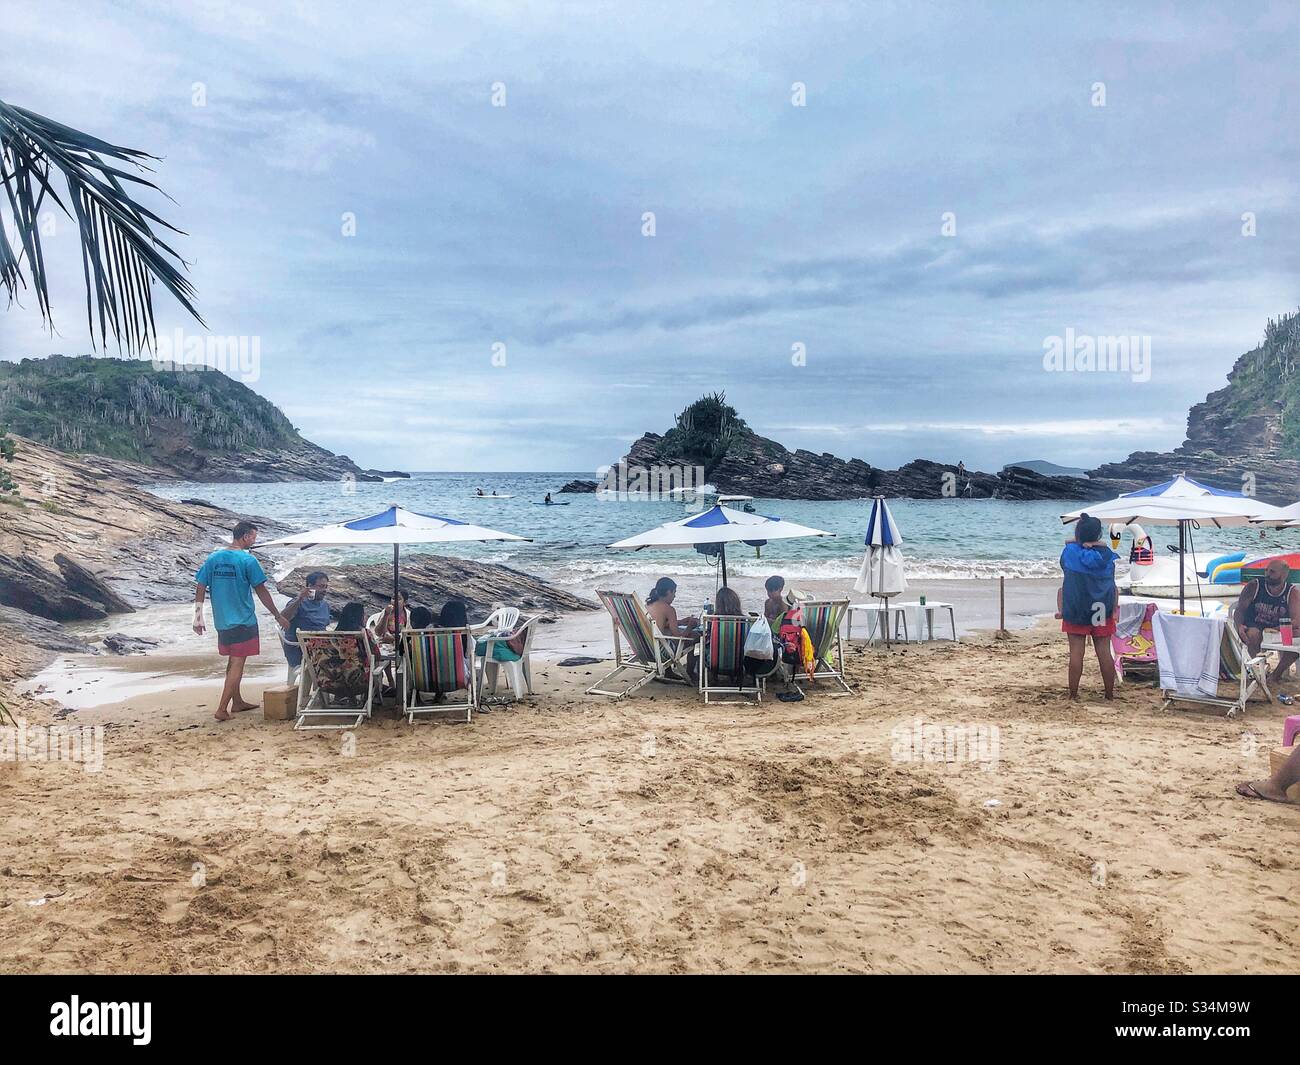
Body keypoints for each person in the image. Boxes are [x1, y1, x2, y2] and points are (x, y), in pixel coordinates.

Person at [193, 520, 288, 722]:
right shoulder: (248, 560)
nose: (255, 541)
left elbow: (200, 586)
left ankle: (237, 702)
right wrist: (277, 615)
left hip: (222, 621)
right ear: (245, 536)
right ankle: (221, 708)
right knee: (238, 663)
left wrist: (198, 617)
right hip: (243, 620)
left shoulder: (214, 557)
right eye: (254, 537)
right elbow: (261, 591)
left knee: (232, 660)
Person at [1055, 513, 1119, 700]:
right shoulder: (1107, 555)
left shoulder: (1069, 553)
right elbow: (1112, 582)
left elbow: (1065, 563)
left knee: (1076, 652)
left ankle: (1073, 695)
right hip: (1100, 607)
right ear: (1099, 534)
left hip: (1076, 607)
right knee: (1104, 651)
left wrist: (1079, 543)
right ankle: (1109, 694)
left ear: (1078, 533)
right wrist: (1100, 545)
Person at [1233, 558, 1300, 682]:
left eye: (1272, 572)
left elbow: (1296, 620)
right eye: (1266, 571)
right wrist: (1239, 625)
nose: (1267, 575)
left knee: (1298, 640)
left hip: (1279, 628)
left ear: (1284, 575)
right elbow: (1239, 610)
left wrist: (1276, 629)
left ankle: (1276, 674)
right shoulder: (1254, 586)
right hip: (1255, 624)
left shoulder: (1292, 592)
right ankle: (1256, 670)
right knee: (1253, 634)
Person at [279, 571, 332, 683]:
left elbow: (324, 627)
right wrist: (299, 599)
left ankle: (330, 693)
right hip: (299, 650)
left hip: (319, 647)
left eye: (326, 587)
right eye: (321, 586)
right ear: (309, 587)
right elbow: (282, 618)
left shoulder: (325, 605)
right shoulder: (298, 602)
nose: (324, 590)